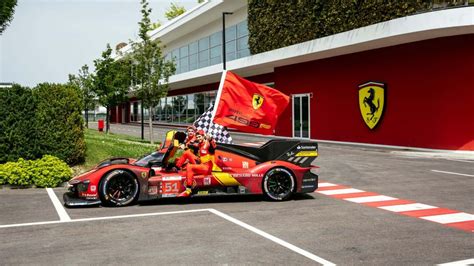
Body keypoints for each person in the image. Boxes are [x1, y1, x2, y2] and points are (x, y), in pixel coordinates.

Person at [178, 129, 216, 197]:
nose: (198, 138)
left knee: (189, 166)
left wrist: (210, 139)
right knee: (187, 153)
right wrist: (184, 146)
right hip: (201, 164)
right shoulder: (200, 144)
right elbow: (192, 145)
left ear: (203, 136)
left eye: (200, 137)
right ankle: (177, 167)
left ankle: (188, 190)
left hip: (207, 168)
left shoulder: (208, 144)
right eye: (197, 137)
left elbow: (213, 148)